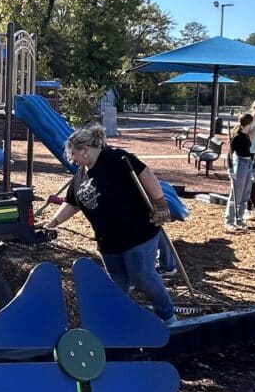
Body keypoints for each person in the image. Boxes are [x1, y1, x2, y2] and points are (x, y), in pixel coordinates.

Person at [45, 125, 177, 324]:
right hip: (108, 241)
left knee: (143, 276)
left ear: (85, 150)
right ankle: (116, 320)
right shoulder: (80, 175)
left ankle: (168, 316)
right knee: (117, 282)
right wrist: (53, 222)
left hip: (137, 233)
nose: (71, 159)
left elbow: (145, 173)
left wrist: (160, 203)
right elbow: (71, 203)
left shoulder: (116, 158)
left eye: (73, 154)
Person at [224, 112, 255, 232]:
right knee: (236, 194)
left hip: (248, 163)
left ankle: (239, 219)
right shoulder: (237, 136)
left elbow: (249, 152)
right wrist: (230, 169)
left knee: (245, 193)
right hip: (240, 164)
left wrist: (253, 169)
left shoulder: (246, 135)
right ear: (249, 123)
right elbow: (229, 154)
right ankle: (229, 221)